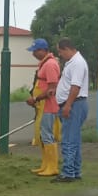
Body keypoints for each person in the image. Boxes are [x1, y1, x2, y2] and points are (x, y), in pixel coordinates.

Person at [55, 37, 89, 182]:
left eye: (60, 51)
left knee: (68, 141)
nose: (60, 55)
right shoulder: (73, 62)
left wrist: (68, 105)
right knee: (73, 140)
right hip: (73, 104)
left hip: (74, 105)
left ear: (67, 49)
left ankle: (68, 173)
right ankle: (75, 171)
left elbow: (76, 86)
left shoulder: (77, 63)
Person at [26, 39, 61, 177]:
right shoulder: (44, 64)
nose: (33, 54)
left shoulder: (50, 64)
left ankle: (52, 167)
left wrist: (36, 98)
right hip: (42, 106)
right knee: (42, 136)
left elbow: (52, 89)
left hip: (48, 106)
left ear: (43, 50)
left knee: (47, 136)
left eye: (35, 51)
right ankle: (45, 165)